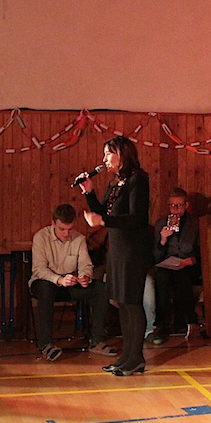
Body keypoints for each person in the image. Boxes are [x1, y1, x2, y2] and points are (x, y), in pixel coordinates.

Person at [80, 135, 152, 376]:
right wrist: (89, 192)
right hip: (117, 250)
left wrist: (103, 221)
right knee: (121, 302)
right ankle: (126, 356)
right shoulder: (115, 183)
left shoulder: (138, 179)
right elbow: (103, 213)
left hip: (133, 250)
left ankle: (137, 357)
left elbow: (136, 218)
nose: (104, 159)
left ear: (122, 154)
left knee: (132, 302)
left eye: (108, 153)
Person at [28, 203, 108, 362]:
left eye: (70, 229)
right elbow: (39, 269)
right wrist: (58, 280)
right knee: (45, 289)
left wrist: (85, 276)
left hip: (70, 282)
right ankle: (46, 344)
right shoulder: (40, 237)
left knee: (100, 288)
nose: (66, 233)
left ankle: (97, 341)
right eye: (62, 229)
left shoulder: (79, 238)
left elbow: (86, 265)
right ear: (53, 224)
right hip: (45, 282)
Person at [148, 186, 204, 346]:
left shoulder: (196, 223)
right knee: (161, 278)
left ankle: (189, 321)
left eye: (179, 205)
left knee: (182, 276)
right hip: (167, 264)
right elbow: (155, 257)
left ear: (186, 205)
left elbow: (202, 249)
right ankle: (161, 324)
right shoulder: (161, 224)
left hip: (188, 264)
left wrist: (193, 260)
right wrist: (163, 241)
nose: (175, 209)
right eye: (172, 206)